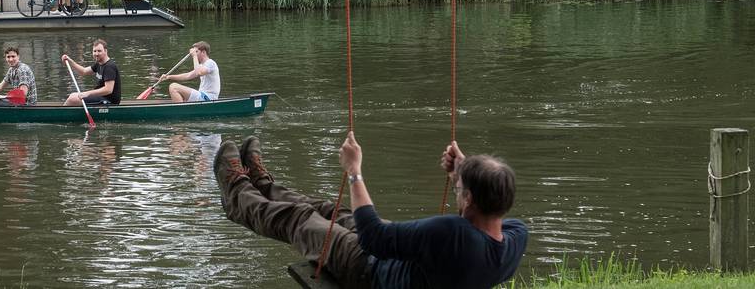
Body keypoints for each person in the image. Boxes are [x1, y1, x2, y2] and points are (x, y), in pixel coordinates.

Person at [213, 132, 528, 289]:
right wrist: (462, 174)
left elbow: (374, 238)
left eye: (459, 190)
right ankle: (264, 184)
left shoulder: (453, 232)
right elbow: (476, 220)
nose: (455, 190)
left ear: (470, 200)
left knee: (301, 220)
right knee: (327, 209)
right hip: (403, 255)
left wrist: (354, 171)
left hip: (369, 269)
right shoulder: (514, 239)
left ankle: (237, 193)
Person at [62, 39, 121, 106]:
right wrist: (70, 61)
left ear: (105, 51)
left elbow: (108, 90)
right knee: (72, 95)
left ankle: (61, 115)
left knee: (73, 99)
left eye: (99, 51)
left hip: (109, 101)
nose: (96, 54)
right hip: (100, 97)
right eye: (94, 51)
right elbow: (83, 71)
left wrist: (87, 93)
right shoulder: (99, 64)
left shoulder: (109, 67)